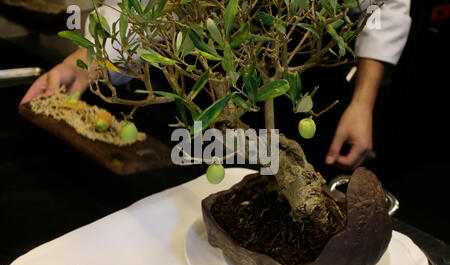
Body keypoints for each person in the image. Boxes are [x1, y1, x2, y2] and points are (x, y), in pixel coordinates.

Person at [20, 0, 412, 171]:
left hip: (303, 74)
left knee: (296, 194)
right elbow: (143, 8)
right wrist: (87, 64)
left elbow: (384, 7)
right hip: (206, 81)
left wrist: (363, 102)